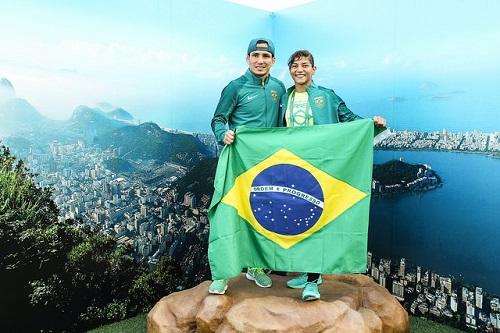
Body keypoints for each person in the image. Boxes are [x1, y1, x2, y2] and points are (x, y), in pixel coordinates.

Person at [280, 50, 386, 301]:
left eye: (305, 65)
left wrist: (373, 124)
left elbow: (350, 121)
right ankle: (306, 272)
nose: (300, 69)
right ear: (290, 70)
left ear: (314, 69)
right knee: (298, 221)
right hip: (292, 167)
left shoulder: (326, 96)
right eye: (295, 66)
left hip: (321, 167)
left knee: (316, 220)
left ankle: (314, 281)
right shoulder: (285, 97)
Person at [208, 38, 286, 294]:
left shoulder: (278, 87)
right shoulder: (235, 87)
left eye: (266, 57)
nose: (260, 61)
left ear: (273, 61)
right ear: (247, 58)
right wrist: (223, 134)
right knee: (229, 215)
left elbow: (283, 125)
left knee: (261, 216)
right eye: (256, 55)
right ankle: (221, 274)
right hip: (239, 161)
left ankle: (256, 267)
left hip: (267, 165)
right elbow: (218, 119)